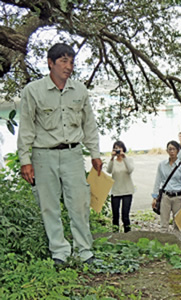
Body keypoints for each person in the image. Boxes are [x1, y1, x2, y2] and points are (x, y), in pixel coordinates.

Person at [17, 43, 102, 265]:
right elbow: (26, 127)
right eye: (63, 61)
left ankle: (84, 251)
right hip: (43, 155)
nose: (69, 66)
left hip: (73, 154)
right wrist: (25, 160)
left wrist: (95, 153)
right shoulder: (33, 91)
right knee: (49, 204)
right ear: (50, 63)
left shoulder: (80, 90)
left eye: (72, 62)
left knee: (80, 203)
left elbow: (89, 125)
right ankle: (60, 252)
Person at [152, 140, 181, 232]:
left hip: (178, 197)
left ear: (178, 150)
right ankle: (164, 245)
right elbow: (158, 181)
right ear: (167, 151)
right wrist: (155, 197)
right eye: (169, 149)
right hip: (165, 196)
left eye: (174, 149)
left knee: (178, 224)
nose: (172, 151)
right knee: (164, 223)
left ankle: (177, 244)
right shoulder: (162, 165)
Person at [106, 141, 134, 233]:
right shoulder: (113, 162)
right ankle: (115, 235)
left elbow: (130, 170)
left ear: (123, 149)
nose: (118, 150)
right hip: (116, 191)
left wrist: (124, 157)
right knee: (115, 216)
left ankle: (128, 234)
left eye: (119, 148)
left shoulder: (129, 160)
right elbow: (109, 171)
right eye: (116, 148)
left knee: (125, 216)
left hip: (127, 191)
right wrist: (111, 157)